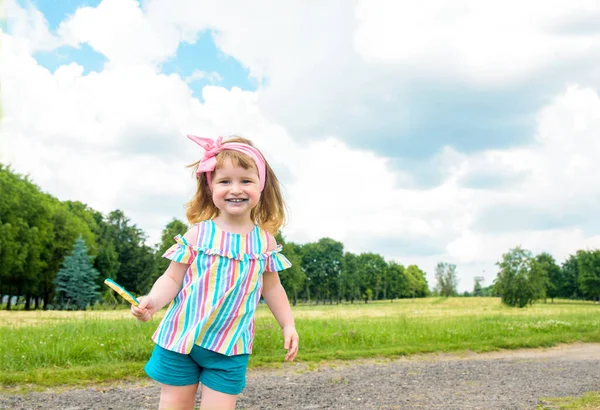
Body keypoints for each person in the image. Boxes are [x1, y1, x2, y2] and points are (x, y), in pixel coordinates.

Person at [132, 135, 299, 410]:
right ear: (211, 188)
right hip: (180, 338)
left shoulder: (264, 243)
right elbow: (172, 278)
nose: (236, 189)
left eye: (246, 180)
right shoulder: (198, 234)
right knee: (174, 405)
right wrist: (152, 301)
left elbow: (272, 289)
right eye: (225, 181)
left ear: (261, 187)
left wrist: (288, 324)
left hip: (230, 345)